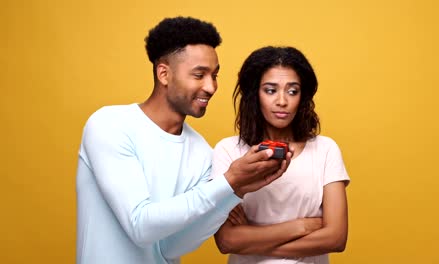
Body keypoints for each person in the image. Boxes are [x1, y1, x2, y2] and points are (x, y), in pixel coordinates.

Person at [75, 17, 292, 264]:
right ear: (164, 74)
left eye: (215, 75)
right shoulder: (109, 125)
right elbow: (140, 226)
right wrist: (228, 182)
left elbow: (170, 247)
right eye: (199, 75)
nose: (211, 87)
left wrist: (236, 190)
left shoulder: (202, 152)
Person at [212, 46, 350, 263]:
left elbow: (336, 238)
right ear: (254, 94)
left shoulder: (325, 149)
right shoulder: (228, 151)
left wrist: (250, 241)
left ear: (302, 96)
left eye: (292, 91)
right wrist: (301, 226)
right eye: (270, 90)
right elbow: (227, 241)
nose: (282, 101)